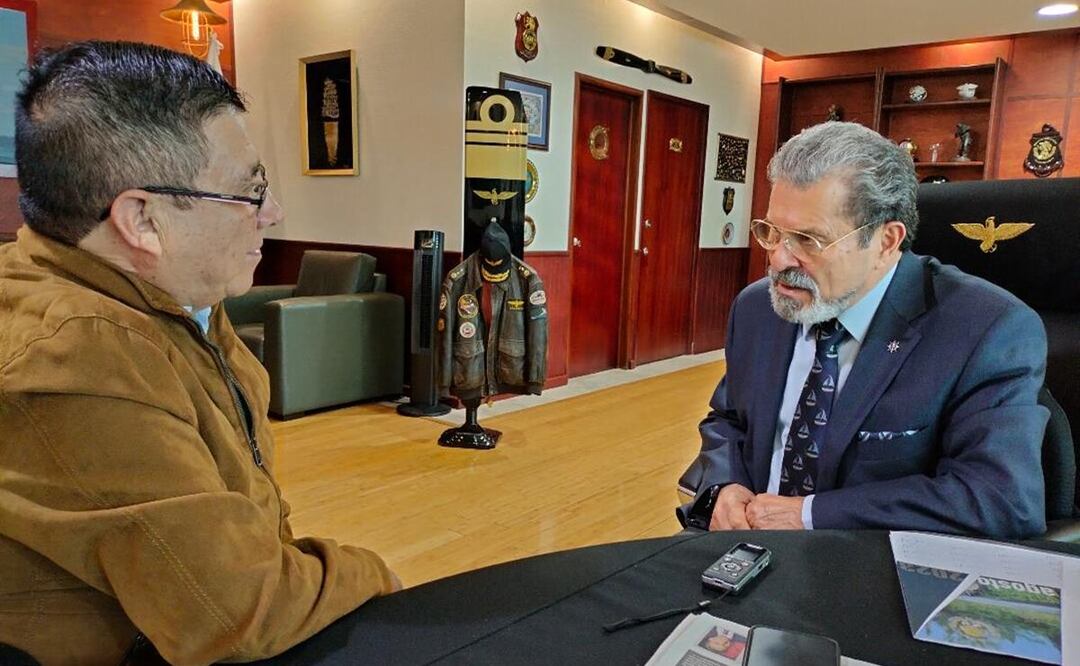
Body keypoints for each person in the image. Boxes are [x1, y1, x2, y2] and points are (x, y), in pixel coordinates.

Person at [0, 41, 399, 664]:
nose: (274, 214)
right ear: (143, 221)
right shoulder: (80, 354)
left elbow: (250, 496)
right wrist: (375, 575)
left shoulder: (178, 295)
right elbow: (236, 611)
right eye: (250, 192)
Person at [677, 121, 1047, 538]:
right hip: (743, 544)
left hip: (869, 567)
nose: (779, 259)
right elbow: (728, 419)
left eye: (808, 240)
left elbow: (999, 499)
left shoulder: (986, 329)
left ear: (887, 241)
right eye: (773, 232)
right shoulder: (756, 309)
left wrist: (809, 515)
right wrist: (723, 486)